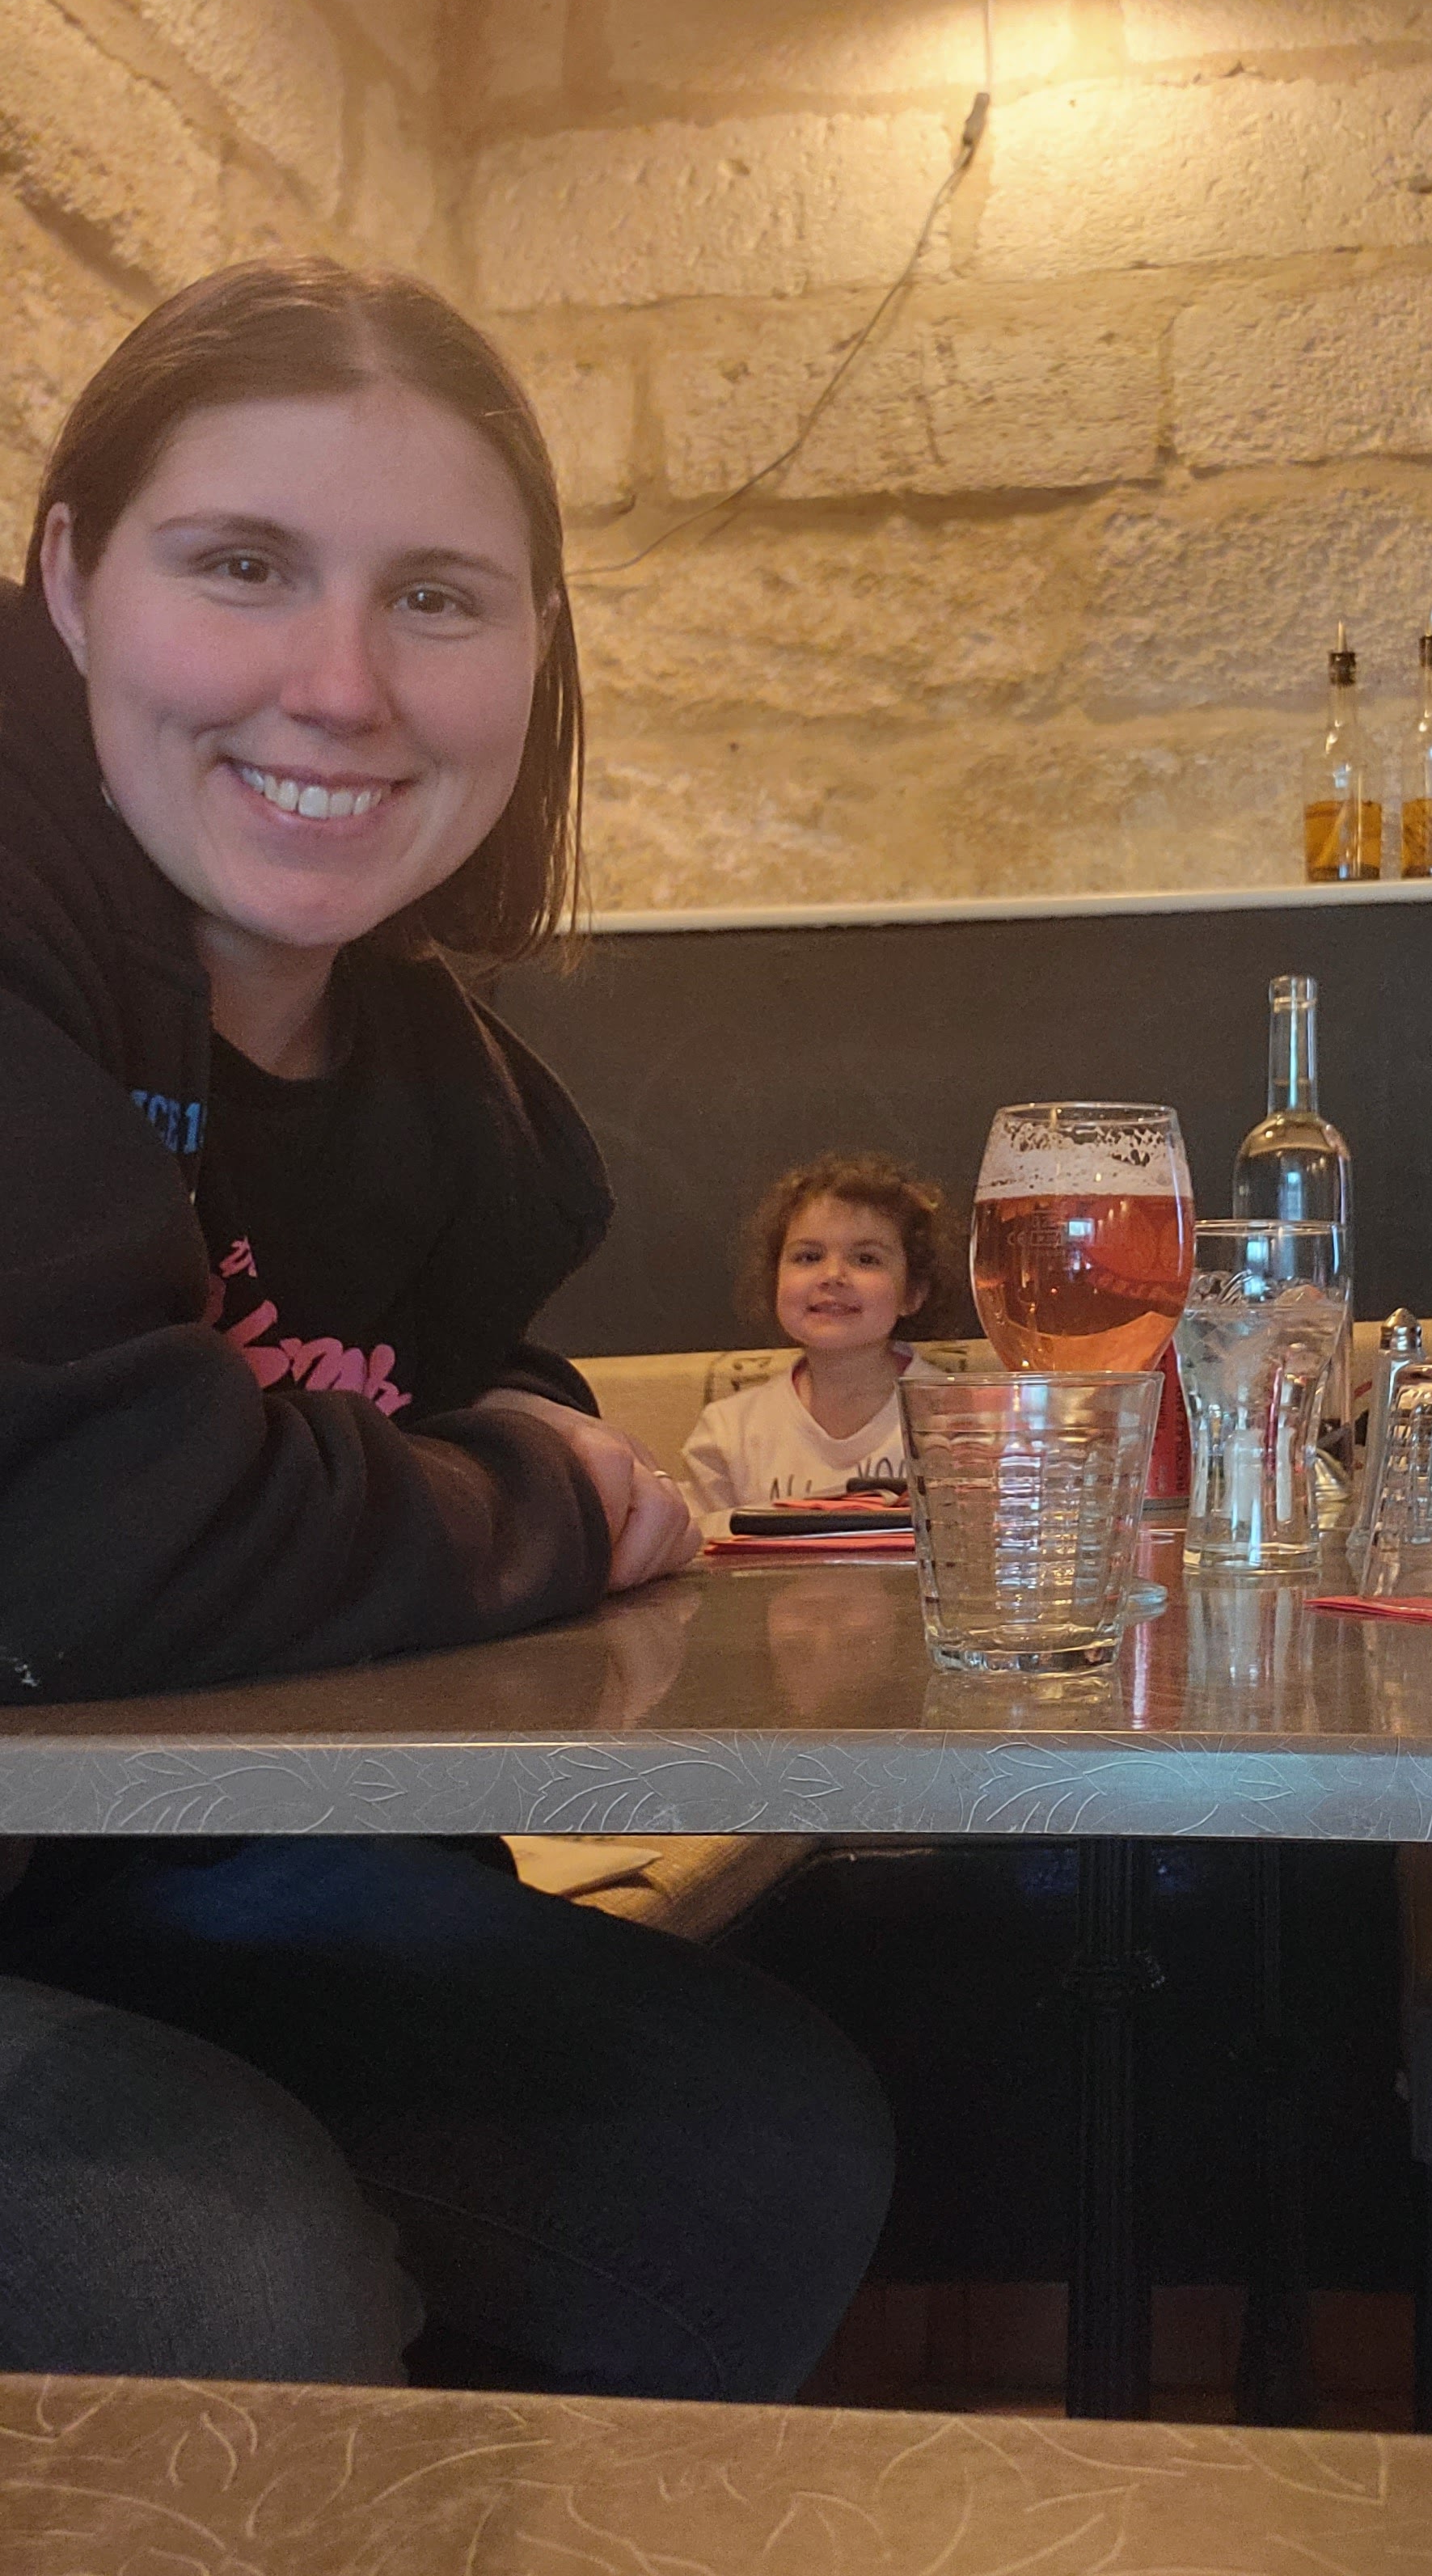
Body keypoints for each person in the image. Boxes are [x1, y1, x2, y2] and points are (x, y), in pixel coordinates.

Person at [0, 258, 891, 2394]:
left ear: (537, 651)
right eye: (240, 566)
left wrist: (508, 1450)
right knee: (219, 2263)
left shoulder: (449, 1094)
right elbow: (83, 1538)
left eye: (435, 599)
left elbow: (463, 1386)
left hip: (106, 1872)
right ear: (71, 582)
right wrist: (536, 1495)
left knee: (749, 2143)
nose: (340, 687)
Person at [682, 1152, 953, 1514]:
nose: (832, 1276)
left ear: (913, 1292)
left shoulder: (960, 1422)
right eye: (808, 1257)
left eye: (866, 1259)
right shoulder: (728, 1434)